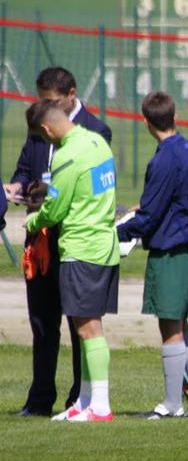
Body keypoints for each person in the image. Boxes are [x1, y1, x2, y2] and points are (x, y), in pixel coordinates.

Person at [4, 66, 112, 417]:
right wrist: (18, 186)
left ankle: (82, 399)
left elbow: (81, 191)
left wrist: (43, 208)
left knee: (81, 324)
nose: (48, 107)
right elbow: (25, 167)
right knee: (41, 321)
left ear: (71, 94)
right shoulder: (41, 126)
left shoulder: (96, 132)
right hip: (43, 243)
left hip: (74, 240)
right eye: (43, 100)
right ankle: (39, 400)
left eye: (52, 101)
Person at [117, 91, 188, 419]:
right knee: (181, 324)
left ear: (146, 122)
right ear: (174, 116)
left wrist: (118, 232)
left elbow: (151, 215)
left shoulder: (163, 159)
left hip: (173, 251)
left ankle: (172, 404)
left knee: (169, 327)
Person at [24, 99, 119, 422]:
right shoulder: (98, 142)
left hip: (82, 246)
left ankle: (101, 406)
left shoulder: (66, 155)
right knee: (87, 326)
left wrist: (34, 222)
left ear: (48, 129)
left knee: (88, 328)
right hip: (105, 243)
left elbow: (55, 208)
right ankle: (85, 400)